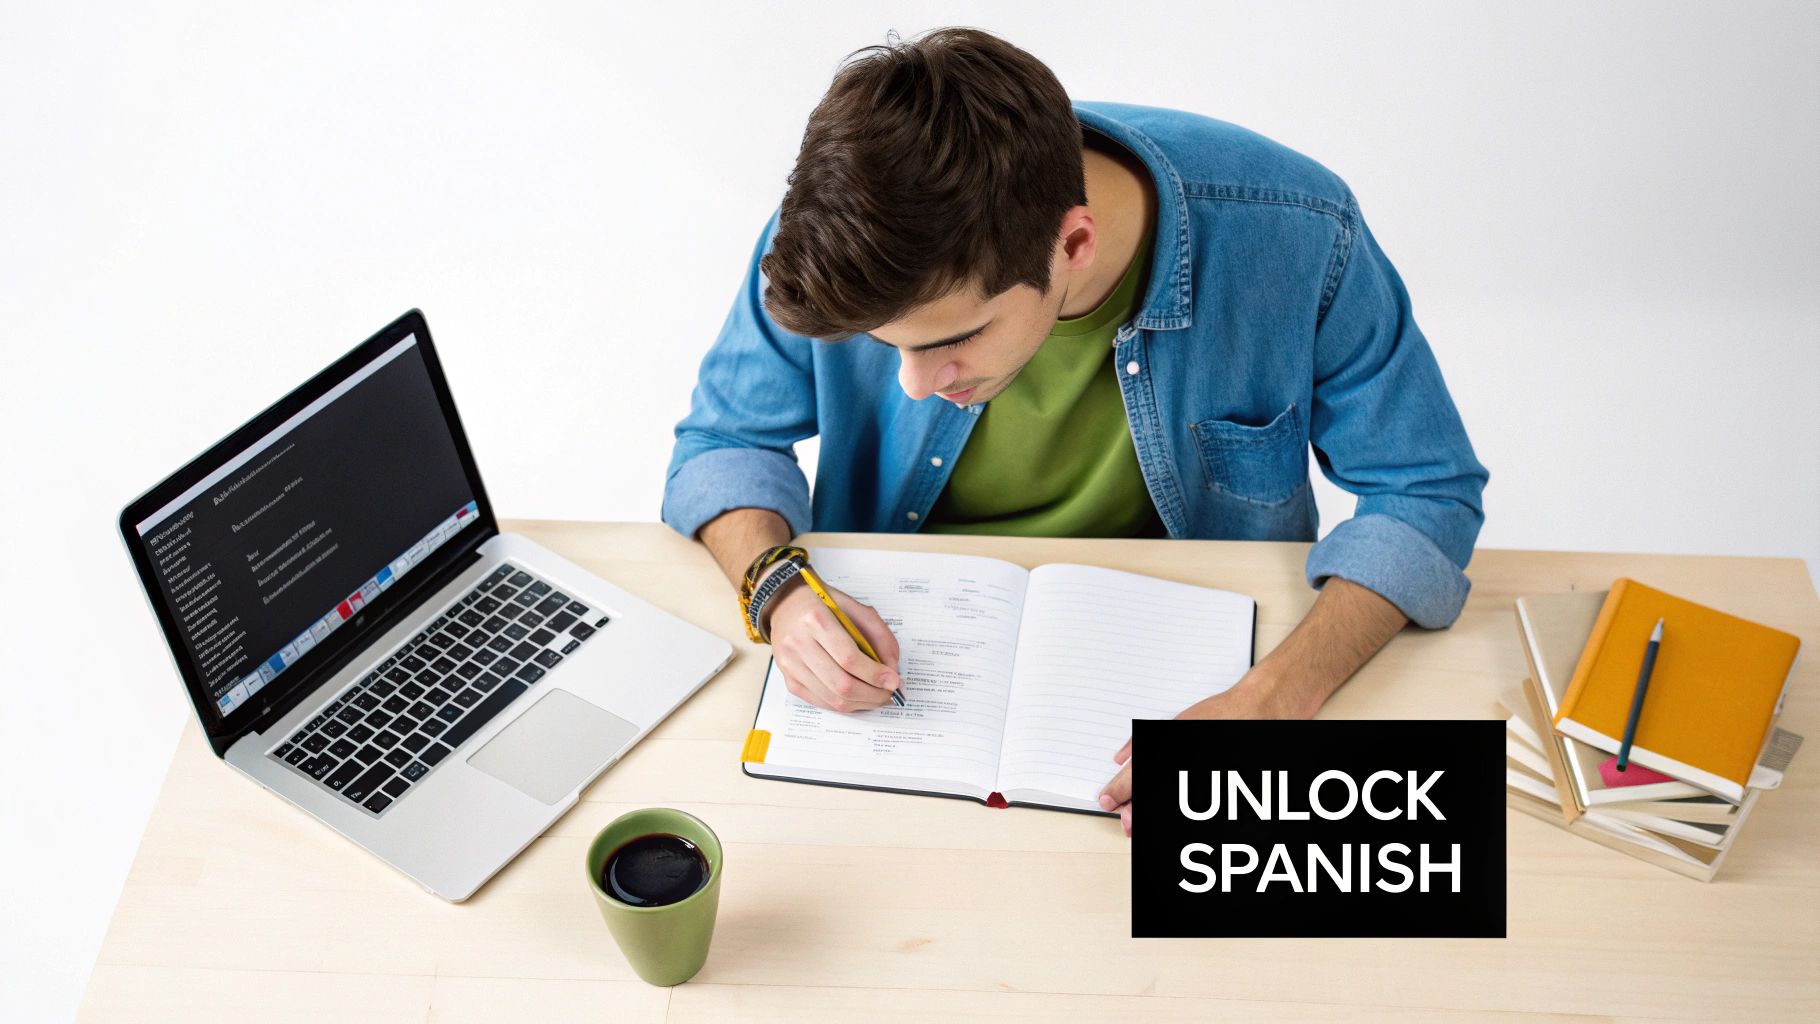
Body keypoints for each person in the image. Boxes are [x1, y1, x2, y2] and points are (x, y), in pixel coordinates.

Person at [662, 28, 1487, 834]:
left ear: (1075, 243)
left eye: (954, 338)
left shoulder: (1298, 233)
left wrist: (1274, 701)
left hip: (1202, 668)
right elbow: (723, 443)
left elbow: (1424, 491)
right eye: (886, 347)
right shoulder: (841, 238)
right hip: (903, 683)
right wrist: (776, 590)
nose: (913, 385)